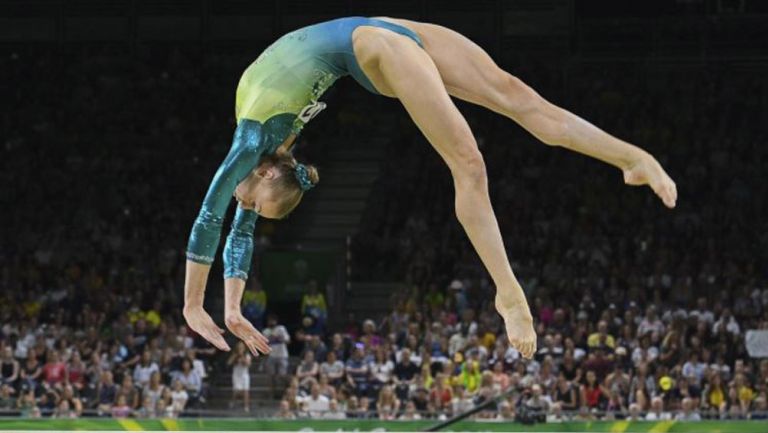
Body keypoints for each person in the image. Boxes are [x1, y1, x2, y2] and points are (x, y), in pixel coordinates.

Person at [182, 17, 678, 359]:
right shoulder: (268, 155)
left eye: (247, 200)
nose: (241, 206)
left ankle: (631, 158)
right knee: (476, 155)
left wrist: (192, 306)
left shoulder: (251, 140)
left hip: (385, 40)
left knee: (512, 110)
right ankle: (511, 292)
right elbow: (241, 228)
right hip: (377, 37)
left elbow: (211, 216)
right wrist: (229, 308)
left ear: (266, 173)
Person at [227, 341, 252, 412]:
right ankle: (233, 401)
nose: (240, 348)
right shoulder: (234, 354)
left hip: (245, 375)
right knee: (236, 391)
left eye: (242, 347)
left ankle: (246, 406)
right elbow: (229, 363)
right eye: (239, 347)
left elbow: (248, 365)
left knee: (246, 391)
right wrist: (236, 356)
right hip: (236, 375)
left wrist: (242, 357)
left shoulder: (247, 355)